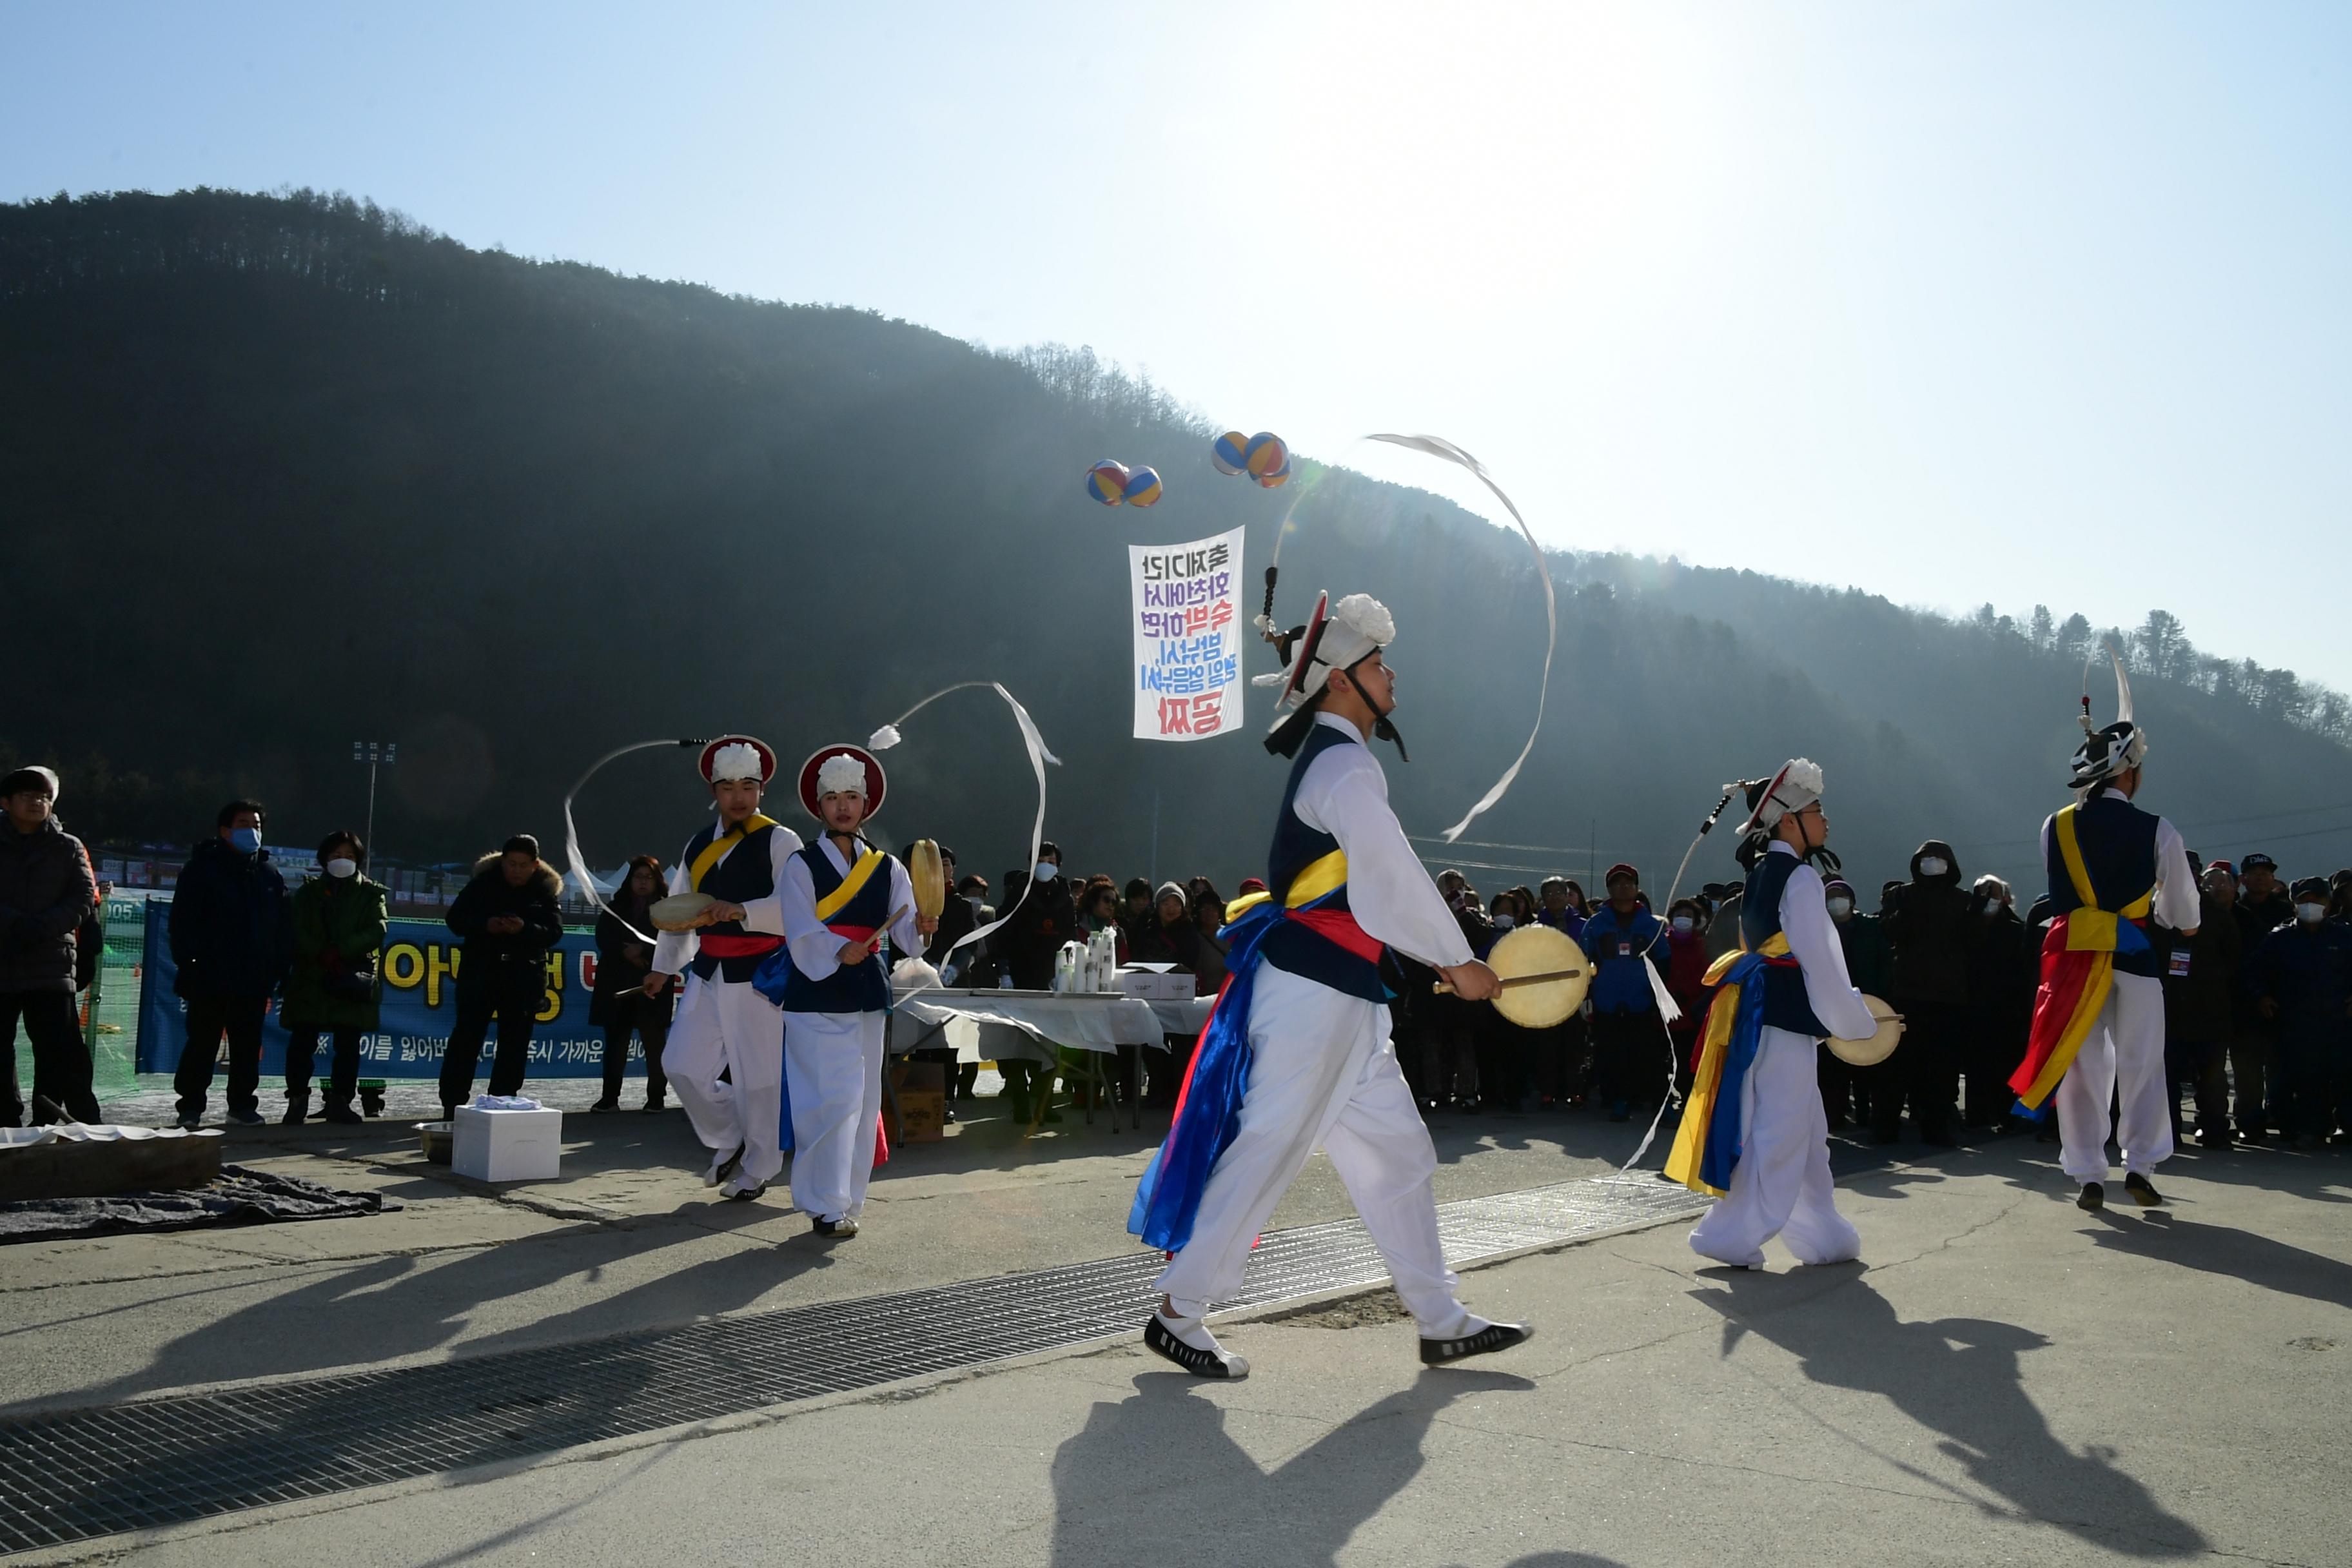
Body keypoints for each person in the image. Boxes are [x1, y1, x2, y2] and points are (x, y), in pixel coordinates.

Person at [1131, 590, 1529, 1376]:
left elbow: (1382, 880)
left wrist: (1447, 955)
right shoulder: (1344, 764)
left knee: (1399, 1155)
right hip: (1316, 992)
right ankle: (1180, 1308)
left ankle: (1440, 1317)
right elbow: (1393, 875)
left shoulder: (1342, 760)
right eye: (1378, 663)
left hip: (1343, 994)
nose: (1392, 674)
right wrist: (1456, 959)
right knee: (1272, 1144)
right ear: (1340, 681)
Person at [2008, 656, 2200, 1210]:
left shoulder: (2057, 824)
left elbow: (2061, 885)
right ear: (2130, 773)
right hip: (2134, 955)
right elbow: (2182, 908)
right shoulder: (2157, 829)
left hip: (2073, 955)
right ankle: (2139, 1165)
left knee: (2083, 1061)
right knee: (2142, 1061)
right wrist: (2177, 921)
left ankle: (2088, 1171)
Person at [1671, 760, 1879, 1268]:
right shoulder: (1801, 878)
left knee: (1805, 1134)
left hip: (1763, 1008)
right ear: (1789, 820)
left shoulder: (1763, 871)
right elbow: (1820, 960)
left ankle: (1823, 1234)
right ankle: (1730, 1234)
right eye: (1816, 811)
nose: (1825, 821)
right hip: (1783, 1012)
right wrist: (1855, 1020)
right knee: (1782, 1132)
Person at [772, 745, 932, 1234]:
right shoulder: (801, 865)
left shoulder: (889, 867)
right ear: (818, 807)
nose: (842, 806)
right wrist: (835, 949)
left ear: (866, 805)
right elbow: (799, 929)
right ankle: (824, 1203)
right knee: (828, 1099)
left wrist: (926, 925)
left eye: (851, 797)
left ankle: (847, 1202)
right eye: (833, 798)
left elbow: (909, 937)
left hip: (866, 993)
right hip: (816, 995)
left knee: (860, 1103)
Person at [644, 738, 800, 1199]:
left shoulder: (780, 839)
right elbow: (679, 911)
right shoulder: (698, 844)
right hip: (709, 969)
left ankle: (758, 1169)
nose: (738, 796)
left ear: (761, 791)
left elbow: (795, 905)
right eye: (728, 787)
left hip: (761, 972)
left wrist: (743, 911)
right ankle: (730, 1135)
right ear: (714, 791)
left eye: (748, 787)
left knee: (760, 1078)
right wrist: (664, 967)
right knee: (681, 1065)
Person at [170, 799, 291, 1129]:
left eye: (257, 825)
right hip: (209, 976)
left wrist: (277, 969)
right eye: (244, 824)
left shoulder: (269, 875)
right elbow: (182, 922)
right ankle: (191, 1107)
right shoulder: (201, 869)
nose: (252, 831)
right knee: (202, 1044)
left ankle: (241, 1105)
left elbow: (282, 927)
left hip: (253, 979)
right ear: (225, 831)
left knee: (247, 1046)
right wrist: (190, 963)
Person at [1, 767, 100, 1126]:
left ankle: (46, 1122)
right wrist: (14, 923)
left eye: (43, 797)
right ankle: (6, 1123)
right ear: (6, 802)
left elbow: (83, 898)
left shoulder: (68, 846)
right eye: (27, 796)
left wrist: (43, 926)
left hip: (51, 963)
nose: (36, 802)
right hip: (4, 958)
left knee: (56, 1051)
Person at [440, 834, 564, 1116]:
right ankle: (452, 1103)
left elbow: (554, 932)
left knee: (515, 1044)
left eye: (523, 865)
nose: (516, 871)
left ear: (535, 865)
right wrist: (486, 925)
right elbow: (455, 920)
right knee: (466, 1039)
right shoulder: (482, 884)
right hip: (480, 972)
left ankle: (502, 1101)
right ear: (502, 861)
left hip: (524, 977)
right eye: (511, 864)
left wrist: (524, 929)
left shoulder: (544, 891)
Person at [279, 830, 388, 1126]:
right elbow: (297, 929)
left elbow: (377, 930)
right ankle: (297, 1100)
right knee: (302, 1043)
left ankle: (341, 1101)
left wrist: (341, 950)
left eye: (350, 857)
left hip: (351, 978)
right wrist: (319, 953)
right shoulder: (308, 892)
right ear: (325, 859)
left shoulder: (371, 893)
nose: (343, 861)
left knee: (348, 1044)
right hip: (310, 978)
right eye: (337, 856)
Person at [1876, 840, 1970, 1146]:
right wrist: (1902, 915)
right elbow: (1887, 932)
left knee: (1942, 1071)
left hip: (1948, 997)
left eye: (1938, 858)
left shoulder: (1962, 901)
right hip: (1907, 994)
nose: (1932, 863)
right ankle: (1885, 1128)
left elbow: (1974, 941)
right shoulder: (1901, 896)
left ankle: (1937, 1129)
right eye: (1926, 858)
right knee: (1897, 1067)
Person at [2246, 878, 2352, 1150]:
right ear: (2294, 905)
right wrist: (2262, 996)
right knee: (2308, 1079)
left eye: (2318, 900)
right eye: (2304, 901)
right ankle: (2312, 1130)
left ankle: (2347, 1128)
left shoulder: (2344, 936)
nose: (2311, 906)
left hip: (2341, 1021)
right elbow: (2254, 972)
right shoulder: (2280, 938)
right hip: (2298, 1022)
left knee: (2345, 1078)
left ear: (2329, 905)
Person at [2162, 863, 2244, 1148]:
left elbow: (2234, 960)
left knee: (2212, 1079)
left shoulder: (2217, 915)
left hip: (2211, 1010)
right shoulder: (2155, 911)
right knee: (2166, 1080)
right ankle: (2168, 1134)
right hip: (2167, 1012)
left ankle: (2214, 1131)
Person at [1579, 863, 1668, 1122]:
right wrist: (1587, 997)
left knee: (1650, 1054)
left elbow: (1663, 960)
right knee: (1611, 1053)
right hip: (1606, 1000)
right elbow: (1583, 960)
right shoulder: (1596, 925)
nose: (1623, 887)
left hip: (1642, 1000)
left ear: (1637, 888)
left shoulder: (1651, 925)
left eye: (1628, 882)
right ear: (1609, 889)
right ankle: (1618, 1101)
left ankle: (1662, 1106)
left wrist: (1659, 996)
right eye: (1617, 883)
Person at [994, 840, 1074, 1119]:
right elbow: (1002, 933)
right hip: (1019, 973)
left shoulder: (1064, 894)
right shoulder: (1018, 891)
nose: (1046, 865)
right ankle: (1020, 1103)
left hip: (1050, 975)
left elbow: (1070, 937)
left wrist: (1066, 971)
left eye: (1051, 861)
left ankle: (1045, 1103)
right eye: (1041, 860)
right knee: (1017, 1043)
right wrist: (1004, 971)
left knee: (1050, 1042)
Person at [591, 856, 673, 1113]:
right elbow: (603, 938)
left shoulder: (668, 910)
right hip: (617, 983)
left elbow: (673, 945)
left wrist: (644, 953)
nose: (642, 883)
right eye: (638, 877)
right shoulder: (615, 907)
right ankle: (610, 1098)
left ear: (657, 881)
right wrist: (624, 951)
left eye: (648, 878)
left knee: (655, 1046)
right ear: (629, 880)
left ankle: (656, 1098)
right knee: (615, 1045)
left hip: (652, 987)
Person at [1961, 874, 2033, 1132]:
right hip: (1974, 1004)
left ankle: (2006, 1115)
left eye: (1994, 894)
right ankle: (1977, 1116)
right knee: (1976, 1065)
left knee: (2006, 1064)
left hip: (2006, 1007)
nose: (1990, 899)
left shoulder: (2016, 929)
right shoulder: (1966, 928)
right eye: (1984, 893)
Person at [2227, 852, 2290, 1141]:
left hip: (2283, 1004)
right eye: (2254, 873)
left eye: (2266, 872)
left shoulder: (2287, 913)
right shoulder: (2233, 912)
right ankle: (2250, 1124)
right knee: (2247, 1071)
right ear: (2242, 879)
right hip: (2243, 1005)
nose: (2261, 877)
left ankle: (2283, 1118)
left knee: (2282, 1068)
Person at [1819, 877, 1888, 1129]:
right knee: (1833, 1067)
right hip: (1832, 1007)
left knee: (1865, 1062)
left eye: (1841, 897)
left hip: (1867, 1003)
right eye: (1831, 898)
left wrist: (1880, 995)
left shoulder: (1870, 927)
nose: (1837, 903)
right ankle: (1834, 1116)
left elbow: (1884, 961)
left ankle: (1865, 1115)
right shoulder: (1819, 931)